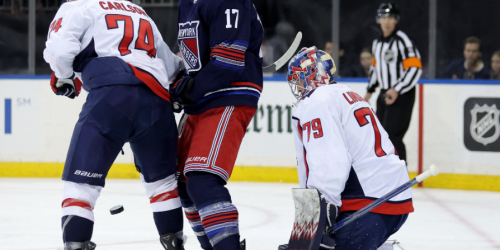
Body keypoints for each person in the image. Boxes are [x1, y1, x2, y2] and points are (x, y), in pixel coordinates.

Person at [43, 0, 184, 249]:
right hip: (156, 100)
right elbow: (171, 66)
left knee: (81, 185)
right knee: (162, 184)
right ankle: (174, 243)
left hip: (112, 99)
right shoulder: (138, 10)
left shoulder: (78, 7)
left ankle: (76, 244)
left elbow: (60, 51)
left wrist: (64, 76)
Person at [287, 46, 413, 250]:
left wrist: (320, 212)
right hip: (390, 197)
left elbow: (329, 160)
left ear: (314, 75)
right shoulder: (347, 93)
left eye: (300, 79)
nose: (298, 88)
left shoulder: (317, 101)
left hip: (367, 203)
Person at [171, 0, 264, 249]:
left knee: (202, 180)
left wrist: (188, 91)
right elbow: (195, 62)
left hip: (227, 94)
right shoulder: (186, 4)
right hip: (202, 100)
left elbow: (228, 62)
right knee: (182, 184)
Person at [364, 3, 422, 163]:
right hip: (384, 94)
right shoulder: (377, 43)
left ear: (396, 20)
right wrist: (369, 92)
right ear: (378, 20)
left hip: (402, 95)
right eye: (383, 18)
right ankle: (388, 174)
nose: (386, 21)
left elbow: (415, 69)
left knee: (392, 134)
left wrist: (396, 89)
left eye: (390, 18)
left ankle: (401, 175)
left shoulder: (402, 40)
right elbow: (376, 70)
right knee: (381, 135)